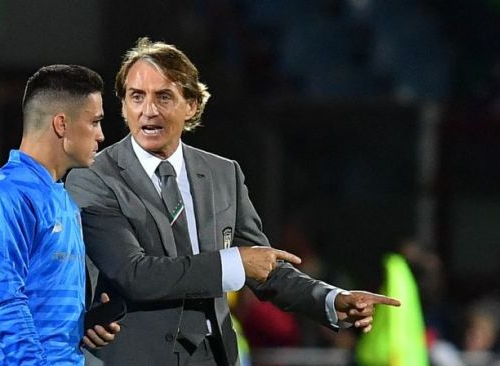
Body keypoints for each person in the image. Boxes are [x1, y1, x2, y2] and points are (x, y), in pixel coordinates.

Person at [65, 38, 400, 366]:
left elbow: (263, 268)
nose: (148, 111)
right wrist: (234, 263)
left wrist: (330, 299)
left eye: (164, 97)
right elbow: (132, 273)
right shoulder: (94, 177)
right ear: (123, 105)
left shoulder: (223, 174)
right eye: (136, 97)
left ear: (192, 105)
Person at [0, 64, 119, 365]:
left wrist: (83, 325)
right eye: (95, 121)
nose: (101, 135)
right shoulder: (5, 195)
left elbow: (41, 300)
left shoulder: (62, 199)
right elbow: (2, 301)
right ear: (61, 124)